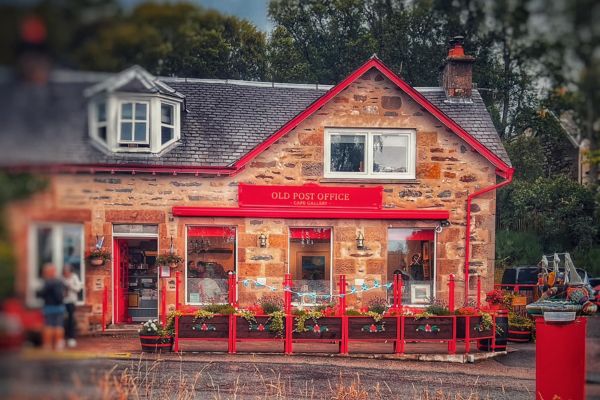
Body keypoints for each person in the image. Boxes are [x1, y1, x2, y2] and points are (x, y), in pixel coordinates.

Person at [36, 263, 65, 351]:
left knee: (49, 326)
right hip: (59, 306)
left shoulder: (47, 282)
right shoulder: (59, 281)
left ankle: (47, 345)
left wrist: (38, 293)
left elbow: (41, 294)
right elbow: (63, 294)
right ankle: (58, 345)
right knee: (59, 326)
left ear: (48, 272)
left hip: (49, 306)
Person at [62, 264, 82, 348]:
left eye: (67, 270)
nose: (66, 272)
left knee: (71, 320)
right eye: (65, 271)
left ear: (70, 271)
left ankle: (71, 338)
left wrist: (71, 286)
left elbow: (78, 288)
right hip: (62, 302)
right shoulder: (61, 278)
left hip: (71, 301)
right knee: (62, 321)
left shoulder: (74, 277)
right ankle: (62, 338)